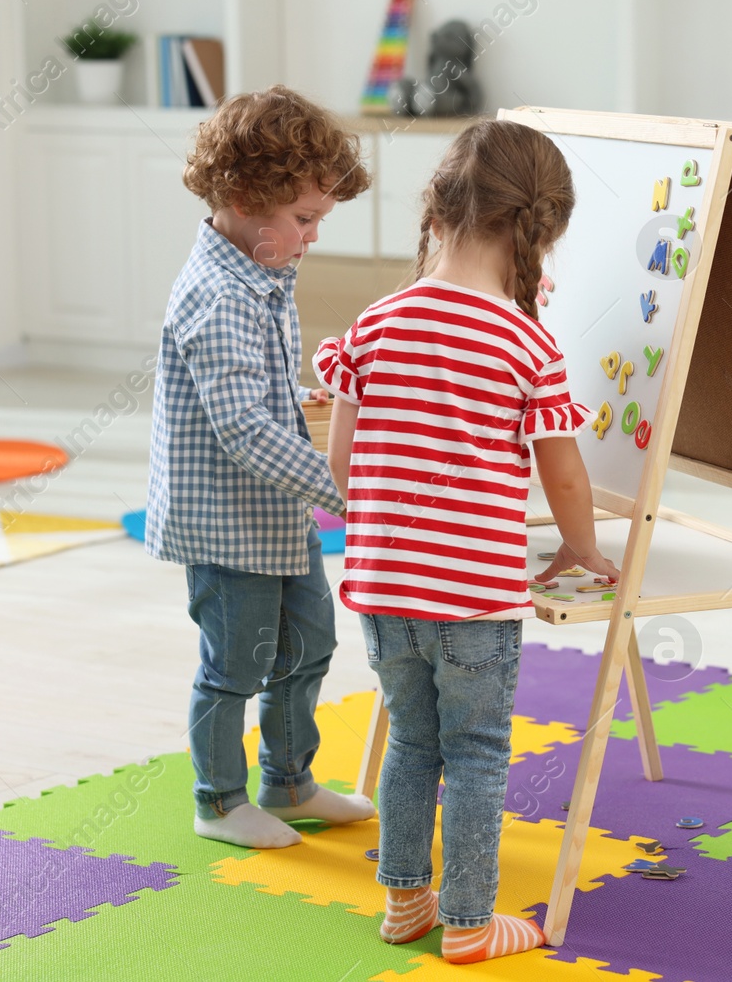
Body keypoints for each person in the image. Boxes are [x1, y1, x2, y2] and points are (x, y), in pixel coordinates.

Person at [316, 120, 619, 963]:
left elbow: (338, 462)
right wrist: (582, 549)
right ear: (542, 233)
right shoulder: (527, 343)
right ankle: (471, 924)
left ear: (436, 207)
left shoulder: (378, 322)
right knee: (478, 754)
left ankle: (406, 902)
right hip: (474, 600)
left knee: (412, 744)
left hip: (382, 589)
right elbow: (562, 476)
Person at [146, 85, 376, 850]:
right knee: (236, 665)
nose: (311, 237)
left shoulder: (263, 270)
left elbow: (255, 391)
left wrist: (299, 395)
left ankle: (288, 779)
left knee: (309, 641)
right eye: (305, 219)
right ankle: (217, 800)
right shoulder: (217, 294)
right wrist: (341, 489)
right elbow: (241, 428)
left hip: (275, 514)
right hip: (226, 523)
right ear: (245, 198)